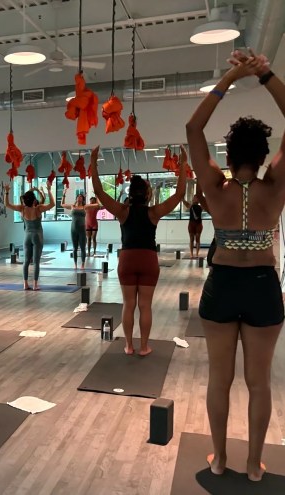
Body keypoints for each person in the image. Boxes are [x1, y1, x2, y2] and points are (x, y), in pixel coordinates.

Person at [186, 49, 285, 482]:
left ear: (227, 156)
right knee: (259, 382)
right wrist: (264, 74)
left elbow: (193, 128)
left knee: (219, 379)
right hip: (263, 285)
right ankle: (253, 465)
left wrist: (229, 78)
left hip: (223, 283)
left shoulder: (215, 185)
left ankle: (220, 458)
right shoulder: (275, 186)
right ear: (264, 156)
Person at [90, 144, 186, 356]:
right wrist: (183, 164)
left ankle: (128, 345)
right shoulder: (154, 212)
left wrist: (93, 163)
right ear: (147, 194)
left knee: (128, 304)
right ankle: (144, 346)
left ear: (130, 194)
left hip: (127, 259)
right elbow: (180, 194)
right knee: (145, 306)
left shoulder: (122, 211)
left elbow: (98, 191)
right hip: (148, 260)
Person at [5, 182, 55, 290]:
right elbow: (52, 204)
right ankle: (35, 285)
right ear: (34, 200)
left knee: (26, 261)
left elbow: (7, 204)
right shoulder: (38, 209)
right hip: (37, 236)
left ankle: (25, 284)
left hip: (27, 237)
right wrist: (49, 190)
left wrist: (7, 192)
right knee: (36, 262)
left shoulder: (22, 209)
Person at [61, 190, 87, 269]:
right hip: (74, 229)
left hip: (82, 230)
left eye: (81, 197)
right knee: (75, 248)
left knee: (83, 248)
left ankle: (83, 264)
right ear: (76, 198)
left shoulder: (85, 207)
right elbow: (62, 204)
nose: (79, 197)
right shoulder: (72, 206)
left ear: (83, 199)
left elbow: (97, 205)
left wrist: (97, 196)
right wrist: (64, 194)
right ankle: (75, 264)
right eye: (78, 196)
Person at [182, 194, 203, 259]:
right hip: (191, 224)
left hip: (198, 224)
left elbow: (207, 203)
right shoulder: (191, 206)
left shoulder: (201, 206)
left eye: (197, 198)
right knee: (191, 239)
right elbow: (185, 203)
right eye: (194, 197)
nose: (195, 199)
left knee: (197, 238)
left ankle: (197, 254)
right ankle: (191, 254)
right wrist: (182, 198)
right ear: (193, 199)